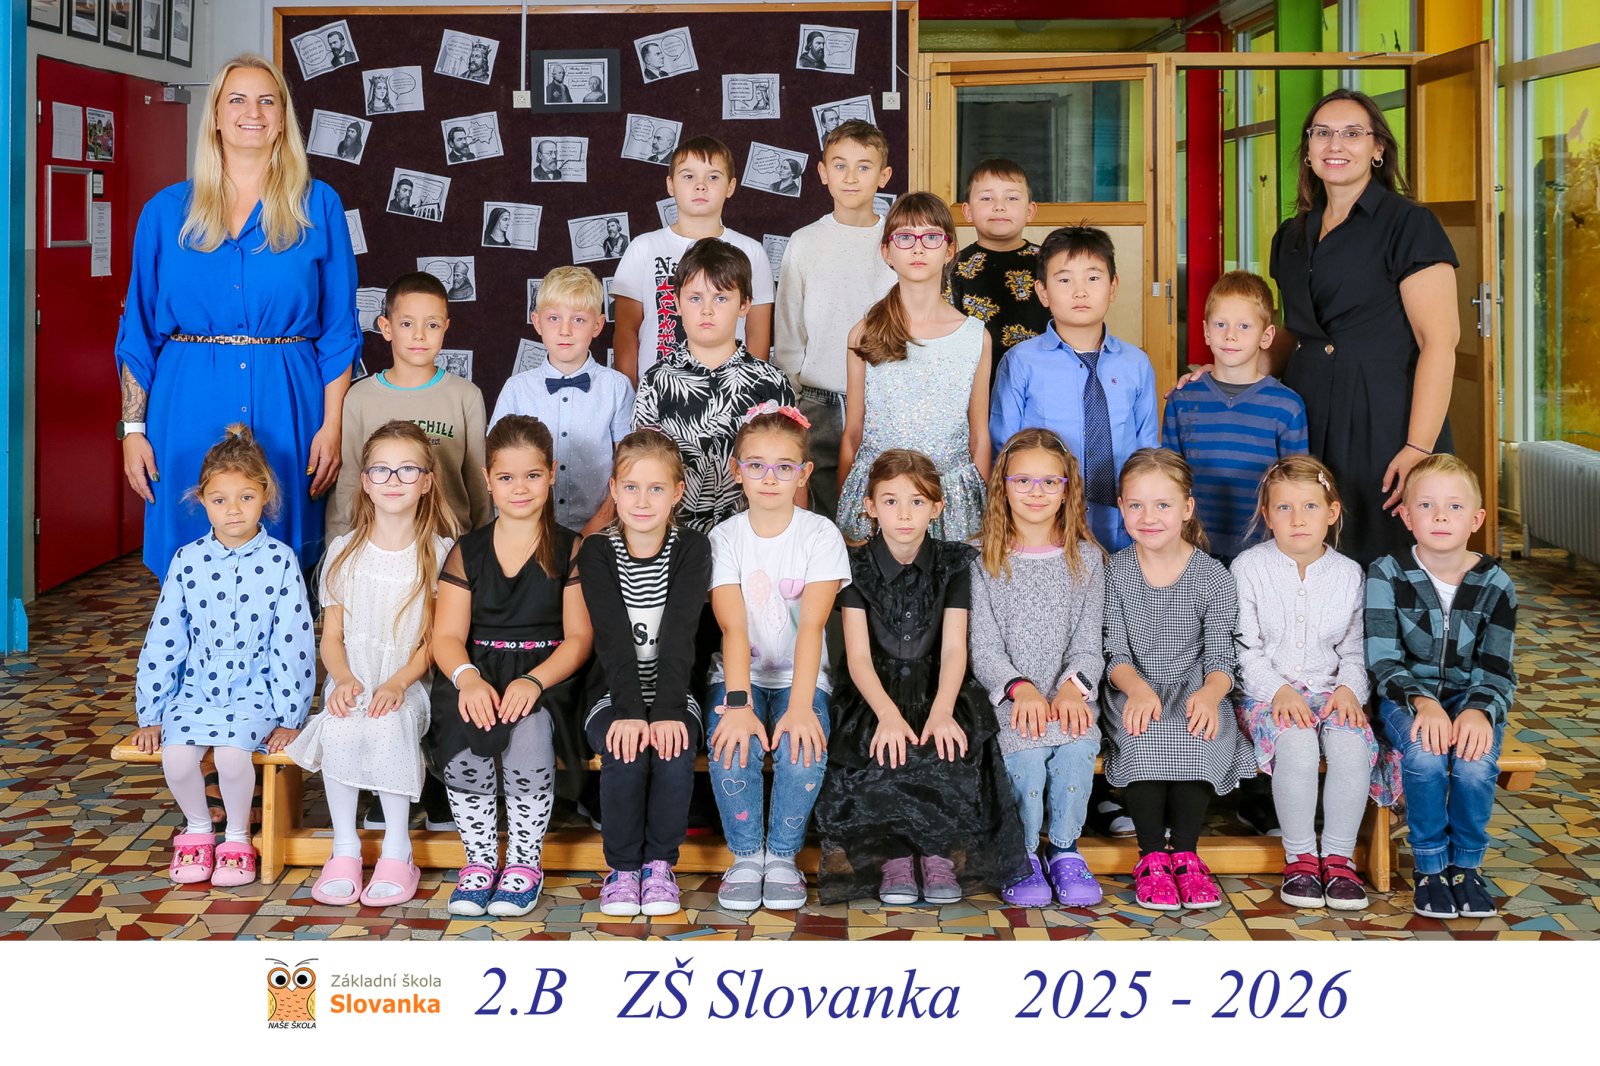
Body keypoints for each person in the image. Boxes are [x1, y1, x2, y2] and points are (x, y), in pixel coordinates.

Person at [115, 55, 359, 576]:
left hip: (287, 400)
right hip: (187, 403)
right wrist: (133, 428)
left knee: (285, 549)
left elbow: (340, 329)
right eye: (238, 100)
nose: (254, 112)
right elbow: (138, 329)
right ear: (217, 117)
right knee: (188, 545)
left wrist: (332, 424)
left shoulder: (319, 205)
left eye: (267, 101)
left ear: (282, 119)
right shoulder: (165, 212)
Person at [813, 449, 1027, 905]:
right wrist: (887, 715)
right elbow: (858, 658)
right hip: (873, 691)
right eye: (890, 501)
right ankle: (892, 858)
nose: (904, 514)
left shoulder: (954, 563)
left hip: (940, 685)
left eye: (917, 502)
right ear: (870, 506)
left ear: (937, 507)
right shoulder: (854, 567)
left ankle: (936, 854)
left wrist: (944, 709)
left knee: (946, 747)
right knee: (880, 751)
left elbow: (953, 649)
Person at [1269, 88, 1460, 566]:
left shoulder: (1409, 224)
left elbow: (1439, 342)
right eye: (1323, 133)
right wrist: (1224, 373)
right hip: (1306, 409)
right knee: (1309, 543)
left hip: (1386, 412)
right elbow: (1292, 333)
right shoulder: (1291, 235)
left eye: (1352, 134)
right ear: (1308, 148)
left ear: (1378, 148)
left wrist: (1418, 447)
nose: (1335, 145)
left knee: (1384, 549)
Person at [131, 425, 315, 887]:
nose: (233, 510)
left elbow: (292, 642)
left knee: (234, 758)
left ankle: (236, 837)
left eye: (246, 497)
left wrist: (290, 715)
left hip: (256, 691)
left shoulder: (280, 560)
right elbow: (165, 638)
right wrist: (152, 713)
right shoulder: (186, 560)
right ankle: (197, 829)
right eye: (220, 500)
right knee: (177, 758)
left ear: (265, 496)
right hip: (196, 691)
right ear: (202, 501)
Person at [428, 415, 594, 918]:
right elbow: (446, 637)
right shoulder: (468, 550)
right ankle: (479, 862)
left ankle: (524, 861)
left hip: (547, 675)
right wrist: (467, 679)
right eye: (506, 477)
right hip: (476, 671)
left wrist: (535, 680)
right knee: (467, 730)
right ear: (487, 479)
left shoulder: (570, 547)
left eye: (532, 475)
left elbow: (579, 638)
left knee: (528, 734)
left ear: (552, 474)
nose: (519, 488)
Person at [287, 421, 457, 908]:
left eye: (408, 470)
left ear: (427, 481)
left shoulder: (439, 553)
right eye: (381, 470)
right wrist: (342, 679)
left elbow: (434, 640)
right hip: (352, 677)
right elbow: (331, 638)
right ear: (365, 481)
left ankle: (398, 850)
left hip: (408, 685)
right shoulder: (344, 553)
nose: (393, 480)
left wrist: (399, 682)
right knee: (341, 722)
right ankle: (344, 848)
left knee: (386, 723)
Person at [1233, 455, 1393, 912]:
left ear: (1332, 512)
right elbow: (1244, 648)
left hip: (1331, 690)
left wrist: (1348, 691)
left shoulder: (1349, 575)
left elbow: (1356, 650)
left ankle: (1339, 859)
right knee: (1298, 745)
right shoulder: (1248, 568)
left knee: (1351, 744)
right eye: (1284, 508)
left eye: (1310, 507)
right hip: (1267, 694)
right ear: (1267, 516)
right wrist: (1277, 690)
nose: (1297, 519)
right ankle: (1301, 858)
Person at [706, 406, 850, 910]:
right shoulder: (725, 538)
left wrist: (802, 706)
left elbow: (811, 626)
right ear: (736, 470)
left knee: (801, 745)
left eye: (784, 467)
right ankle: (747, 856)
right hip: (738, 674)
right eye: (757, 465)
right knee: (733, 742)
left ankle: (783, 857)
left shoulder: (820, 535)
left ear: (804, 474)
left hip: (801, 676)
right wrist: (738, 705)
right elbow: (733, 626)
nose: (770, 478)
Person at [1101, 448, 1254, 910]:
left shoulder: (1212, 575)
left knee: (1198, 733)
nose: (1148, 517)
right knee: (1142, 734)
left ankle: (1186, 853)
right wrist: (1136, 689)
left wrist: (1210, 693)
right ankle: (1151, 855)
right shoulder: (1115, 571)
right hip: (1133, 685)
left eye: (1162, 505)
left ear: (1187, 508)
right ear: (1121, 507)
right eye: (1136, 505)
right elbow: (1114, 651)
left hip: (1196, 685)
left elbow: (1222, 654)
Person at [1368, 454, 1517, 920]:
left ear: (1476, 519)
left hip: (1473, 699)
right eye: (1426, 505)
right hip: (1406, 698)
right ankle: (1431, 867)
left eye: (1454, 507)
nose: (1439, 516)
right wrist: (1423, 703)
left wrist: (1478, 710)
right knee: (1425, 755)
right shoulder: (1387, 573)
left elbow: (1498, 669)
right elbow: (1383, 659)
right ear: (1406, 516)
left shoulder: (1496, 583)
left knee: (1474, 765)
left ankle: (1466, 866)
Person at [968, 429, 1107, 907]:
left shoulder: (1087, 559)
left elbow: (1089, 645)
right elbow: (983, 647)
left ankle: (1064, 850)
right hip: (1009, 702)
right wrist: (1020, 689)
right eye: (1023, 480)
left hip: (1069, 698)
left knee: (1076, 750)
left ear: (1068, 490)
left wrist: (1072, 689)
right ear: (1002, 487)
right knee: (1024, 759)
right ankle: (1022, 853)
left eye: (1050, 482)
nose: (1036, 492)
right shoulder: (981, 558)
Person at [580, 431, 711, 917]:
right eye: (631, 487)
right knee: (626, 749)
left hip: (674, 692)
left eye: (656, 488)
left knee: (674, 751)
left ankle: (659, 866)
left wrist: (668, 711)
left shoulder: (691, 548)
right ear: (613, 490)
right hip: (614, 693)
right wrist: (631, 713)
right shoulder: (597, 552)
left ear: (677, 492)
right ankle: (622, 869)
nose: (642, 500)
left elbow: (680, 633)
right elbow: (613, 639)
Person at [989, 225, 1157, 554]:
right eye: (1064, 280)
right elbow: (1003, 450)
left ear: (1113, 287)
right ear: (1042, 292)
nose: (1080, 292)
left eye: (1093, 278)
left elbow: (1147, 448)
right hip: (1045, 527)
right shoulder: (1020, 362)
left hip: (1124, 526)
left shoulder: (1136, 364)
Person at [837, 192, 990, 544]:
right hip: (882, 498)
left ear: (950, 250)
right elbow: (853, 433)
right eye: (905, 237)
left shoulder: (975, 337)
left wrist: (982, 509)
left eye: (931, 237)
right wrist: (846, 507)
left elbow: (979, 436)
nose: (918, 248)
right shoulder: (865, 333)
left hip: (952, 500)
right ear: (887, 252)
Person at [773, 120, 896, 526]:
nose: (851, 177)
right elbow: (789, 328)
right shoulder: (805, 242)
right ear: (823, 173)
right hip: (818, 402)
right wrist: (794, 397)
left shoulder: (899, 241)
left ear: (884, 176)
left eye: (864, 166)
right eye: (840, 165)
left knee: (882, 511)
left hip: (883, 401)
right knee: (819, 518)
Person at [632, 238, 794, 534]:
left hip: (752, 536)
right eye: (695, 298)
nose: (707, 310)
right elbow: (640, 469)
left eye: (721, 298)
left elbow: (791, 469)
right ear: (677, 303)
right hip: (674, 538)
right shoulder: (656, 382)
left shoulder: (771, 383)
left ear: (744, 304)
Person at [1161, 271, 1308, 565]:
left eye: (1244, 326)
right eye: (1220, 324)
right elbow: (1169, 479)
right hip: (1193, 548)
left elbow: (1296, 486)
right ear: (1206, 331)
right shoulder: (1183, 399)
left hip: (1263, 551)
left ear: (1266, 336)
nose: (1230, 335)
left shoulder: (1287, 406)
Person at [328, 271, 487, 542]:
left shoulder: (466, 396)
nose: (419, 335)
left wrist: (483, 552)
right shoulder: (360, 398)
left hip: (451, 547)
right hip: (378, 547)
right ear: (386, 327)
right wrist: (338, 547)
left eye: (432, 325)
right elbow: (348, 483)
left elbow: (478, 485)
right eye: (406, 324)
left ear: (446, 327)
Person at [612, 136, 776, 383]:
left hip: (728, 390)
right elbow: (626, 330)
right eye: (688, 176)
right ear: (671, 184)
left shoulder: (751, 251)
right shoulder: (643, 248)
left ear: (730, 186)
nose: (700, 186)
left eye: (713, 177)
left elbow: (757, 333)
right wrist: (630, 392)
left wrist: (749, 389)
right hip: (658, 391)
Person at [492, 266, 634, 537]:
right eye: (554, 318)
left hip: (601, 532)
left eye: (578, 320)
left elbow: (628, 468)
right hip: (529, 531)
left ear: (597, 325)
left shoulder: (617, 388)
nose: (565, 330)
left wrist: (591, 533)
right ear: (537, 322)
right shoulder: (516, 389)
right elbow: (498, 465)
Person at [948, 159, 1049, 366]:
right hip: (976, 378)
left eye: (1012, 198)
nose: (999, 207)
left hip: (1041, 375)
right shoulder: (953, 268)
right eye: (986, 198)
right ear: (968, 212)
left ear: (1030, 211)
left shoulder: (1051, 263)